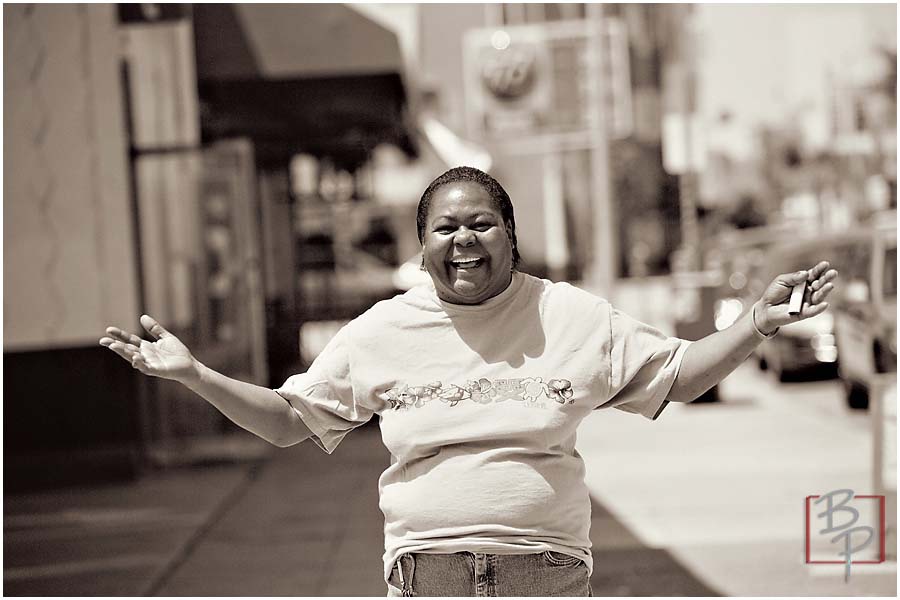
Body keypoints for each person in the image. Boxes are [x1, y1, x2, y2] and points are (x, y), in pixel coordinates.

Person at [100, 166, 838, 597]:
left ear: (510, 235)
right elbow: (291, 419)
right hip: (429, 577)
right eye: (445, 228)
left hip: (545, 575)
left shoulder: (570, 315)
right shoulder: (382, 331)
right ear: (422, 246)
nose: (464, 241)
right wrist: (193, 374)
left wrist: (757, 325)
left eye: (481, 224)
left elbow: (677, 375)